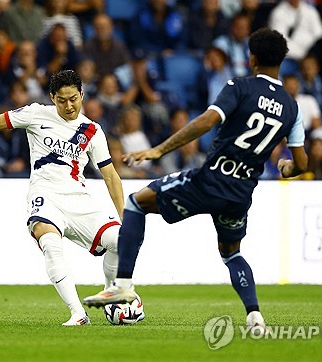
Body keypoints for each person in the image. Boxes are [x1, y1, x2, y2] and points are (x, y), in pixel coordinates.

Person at [83, 28, 308, 335]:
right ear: (282, 60)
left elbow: (207, 120)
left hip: (209, 181)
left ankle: (122, 286)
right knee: (232, 254)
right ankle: (255, 317)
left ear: (251, 58)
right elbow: (302, 163)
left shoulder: (239, 87)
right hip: (240, 193)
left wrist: (159, 149)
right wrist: (286, 168)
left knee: (136, 202)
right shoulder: (292, 108)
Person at [0, 70, 125, 326]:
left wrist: (125, 216)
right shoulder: (35, 114)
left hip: (78, 198)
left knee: (120, 242)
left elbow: (111, 176)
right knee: (50, 243)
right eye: (62, 100)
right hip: (45, 195)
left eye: (73, 99)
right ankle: (78, 313)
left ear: (82, 94)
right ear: (52, 97)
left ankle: (111, 293)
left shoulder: (93, 131)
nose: (68, 106)